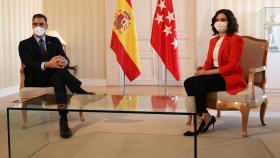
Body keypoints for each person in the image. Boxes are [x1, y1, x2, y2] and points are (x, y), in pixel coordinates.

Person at [18, 14, 95, 138]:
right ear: (32, 26)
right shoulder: (24, 44)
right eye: (35, 24)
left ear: (46, 26)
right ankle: (80, 92)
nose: (38, 26)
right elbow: (29, 64)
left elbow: (65, 59)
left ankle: (63, 120)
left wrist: (65, 62)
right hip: (37, 78)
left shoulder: (54, 40)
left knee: (58, 75)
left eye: (41, 24)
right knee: (58, 73)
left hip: (54, 77)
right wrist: (48, 64)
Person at [183, 9, 247, 136]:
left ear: (230, 22)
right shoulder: (213, 40)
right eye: (217, 20)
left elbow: (232, 66)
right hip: (215, 75)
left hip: (229, 76)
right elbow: (208, 62)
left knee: (200, 81)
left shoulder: (236, 40)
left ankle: (202, 117)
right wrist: (203, 69)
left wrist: (207, 73)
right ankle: (203, 115)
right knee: (189, 82)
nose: (219, 22)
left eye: (223, 20)